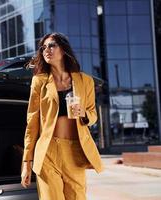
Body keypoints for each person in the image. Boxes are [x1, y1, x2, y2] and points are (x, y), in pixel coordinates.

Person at [21, 32, 104, 200]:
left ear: (63, 49)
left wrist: (84, 113)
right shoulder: (39, 81)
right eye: (43, 47)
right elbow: (32, 123)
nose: (46, 50)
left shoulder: (85, 81)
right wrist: (26, 163)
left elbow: (93, 115)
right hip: (48, 151)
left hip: (75, 152)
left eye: (52, 45)